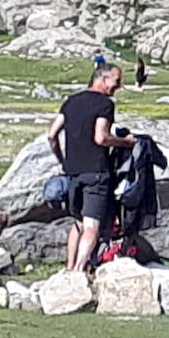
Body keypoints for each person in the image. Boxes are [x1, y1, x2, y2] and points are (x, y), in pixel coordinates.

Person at [45, 63, 138, 271]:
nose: (118, 87)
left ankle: (69, 267)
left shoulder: (71, 102)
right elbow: (101, 137)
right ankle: (79, 270)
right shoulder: (104, 104)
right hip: (95, 172)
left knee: (78, 223)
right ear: (103, 79)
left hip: (72, 172)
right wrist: (127, 143)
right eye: (116, 81)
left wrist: (62, 159)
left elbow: (52, 134)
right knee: (91, 225)